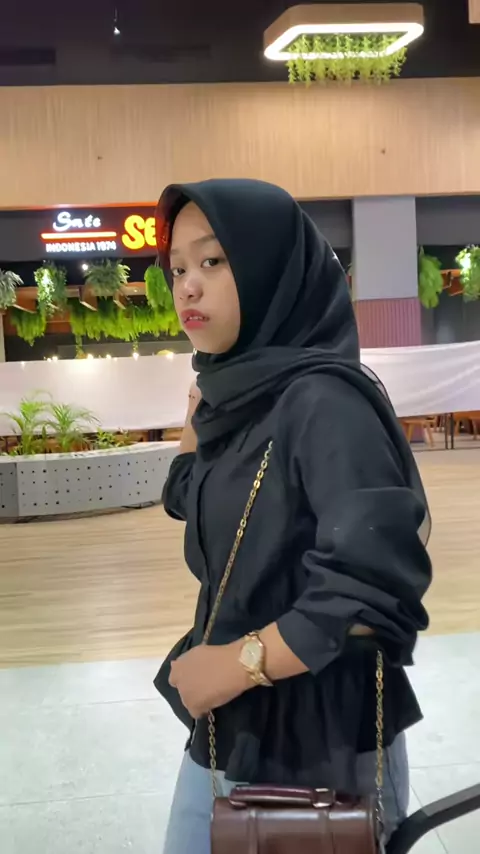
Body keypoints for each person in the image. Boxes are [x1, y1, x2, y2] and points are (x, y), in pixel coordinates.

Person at [153, 179, 432, 854]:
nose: (188, 286)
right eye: (177, 269)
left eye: (213, 260)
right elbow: (187, 495)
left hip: (318, 740)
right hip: (236, 722)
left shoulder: (324, 402)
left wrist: (235, 663)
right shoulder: (245, 396)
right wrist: (201, 409)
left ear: (271, 269)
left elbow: (374, 586)